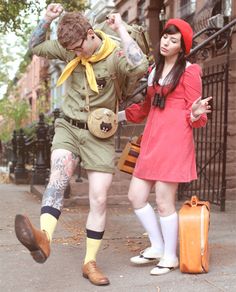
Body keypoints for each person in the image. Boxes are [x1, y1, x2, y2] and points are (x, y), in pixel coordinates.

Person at [14, 3, 148, 286]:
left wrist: (122, 29)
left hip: (99, 134)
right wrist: (46, 20)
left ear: (89, 34)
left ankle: (89, 263)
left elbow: (139, 65)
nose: (74, 53)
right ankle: (44, 239)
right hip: (68, 127)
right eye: (70, 50)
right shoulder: (68, 46)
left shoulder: (114, 54)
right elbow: (34, 47)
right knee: (58, 178)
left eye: (78, 48)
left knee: (98, 198)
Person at [118, 18, 212, 275]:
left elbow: (197, 115)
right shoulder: (154, 72)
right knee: (136, 196)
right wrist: (118, 117)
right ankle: (157, 246)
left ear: (182, 48)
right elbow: (145, 108)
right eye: (165, 37)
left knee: (163, 201)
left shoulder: (190, 71)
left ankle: (170, 256)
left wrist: (194, 112)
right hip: (152, 139)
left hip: (174, 141)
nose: (166, 42)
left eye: (173, 40)